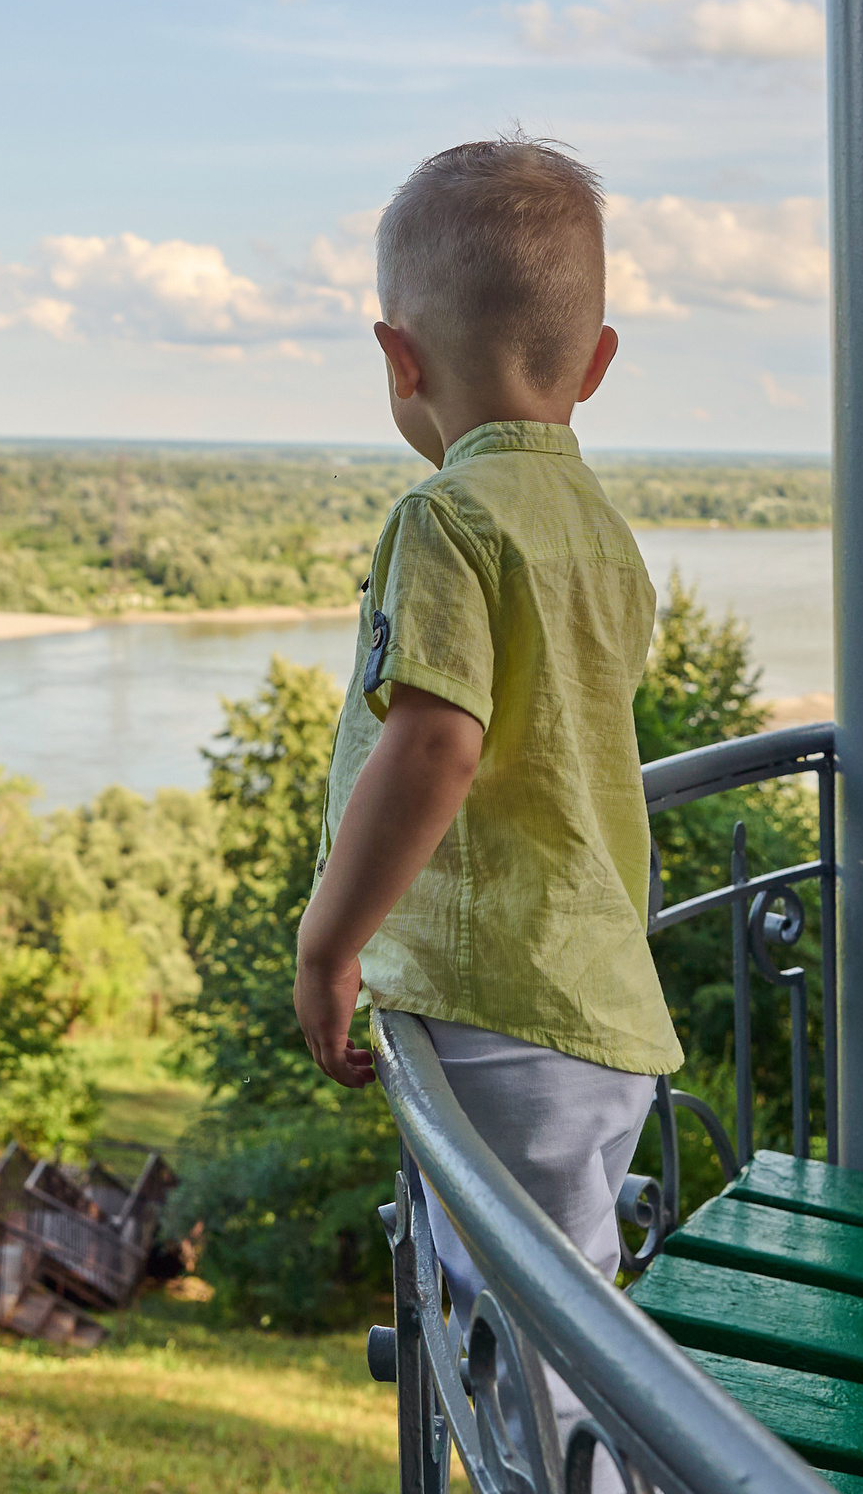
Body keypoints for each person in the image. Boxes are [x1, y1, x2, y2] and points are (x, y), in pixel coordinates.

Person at [292, 135, 680, 1469]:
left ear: (400, 361)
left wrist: (329, 945)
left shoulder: (446, 519)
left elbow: (438, 747)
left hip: (495, 1009)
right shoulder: (599, 532)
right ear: (597, 360)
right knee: (570, 1320)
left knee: (517, 1365)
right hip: (599, 1007)